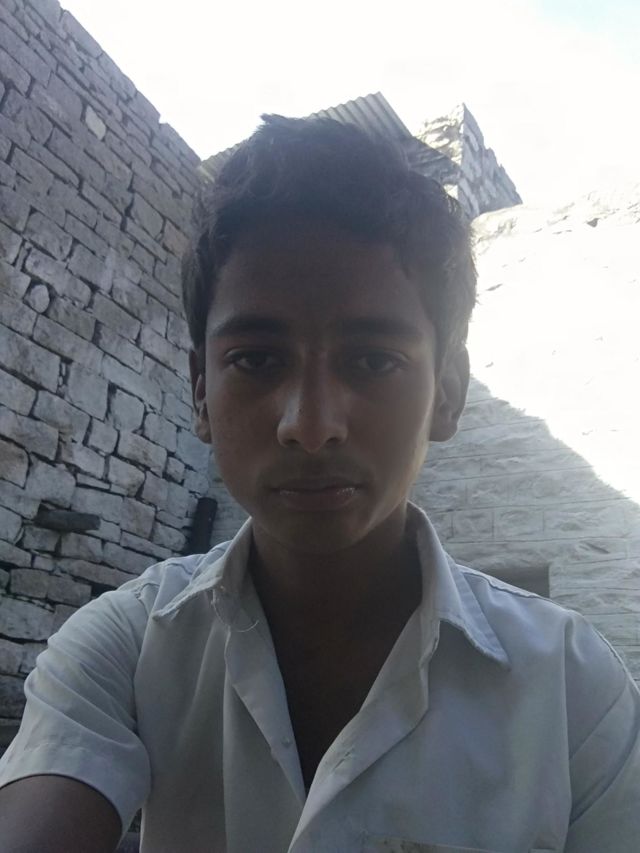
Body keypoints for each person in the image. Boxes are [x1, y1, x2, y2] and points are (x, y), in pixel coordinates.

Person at [0, 115, 638, 853]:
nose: (309, 425)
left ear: (448, 393)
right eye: (256, 359)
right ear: (201, 391)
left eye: (372, 361)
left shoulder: (572, 687)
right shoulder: (126, 644)